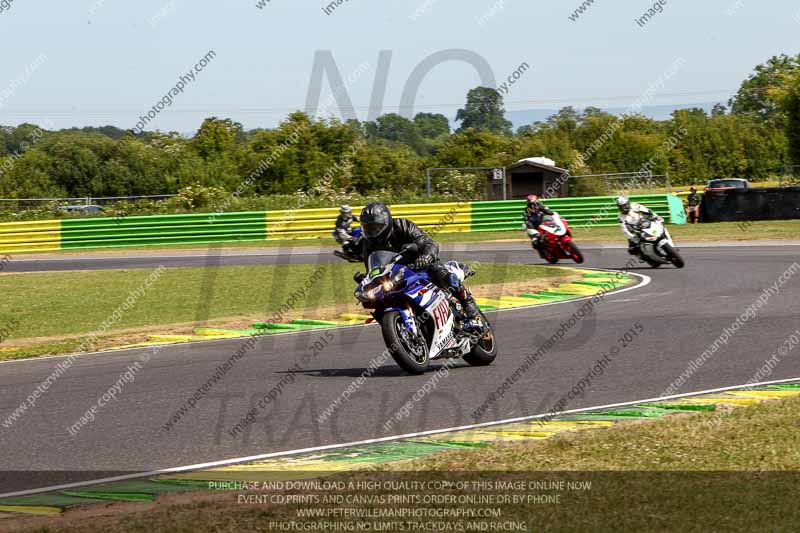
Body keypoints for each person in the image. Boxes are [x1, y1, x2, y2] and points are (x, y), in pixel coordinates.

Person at [359, 202, 481, 328]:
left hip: (420, 263)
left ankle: (472, 312)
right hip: (396, 274)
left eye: (375, 227)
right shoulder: (368, 243)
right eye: (368, 228)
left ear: (386, 222)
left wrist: (427, 256)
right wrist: (367, 280)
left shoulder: (403, 226)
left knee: (445, 276)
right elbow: (372, 268)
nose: (372, 232)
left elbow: (428, 242)